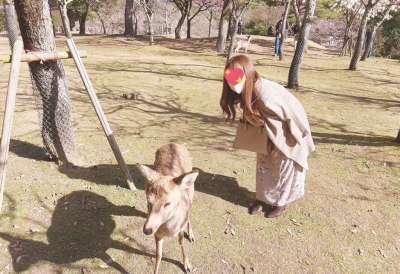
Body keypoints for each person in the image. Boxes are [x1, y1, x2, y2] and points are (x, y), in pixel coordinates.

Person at [220, 55, 315, 218]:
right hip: (267, 134)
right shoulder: (249, 90)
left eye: (237, 78)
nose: (233, 84)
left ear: (247, 74)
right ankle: (262, 198)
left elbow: (293, 112)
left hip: (286, 135)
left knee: (283, 169)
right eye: (229, 79)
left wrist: (300, 136)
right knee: (264, 166)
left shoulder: (266, 95)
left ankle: (281, 203)